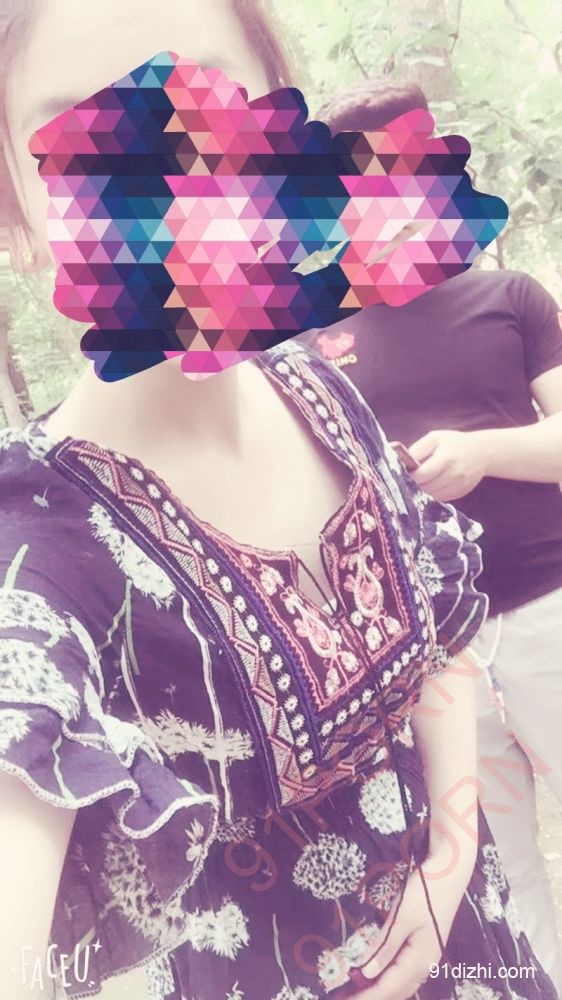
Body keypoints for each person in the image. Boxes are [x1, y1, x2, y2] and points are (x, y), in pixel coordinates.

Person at [0, 5, 556, 999]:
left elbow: (431, 618)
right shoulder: (38, 546)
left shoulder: (321, 390)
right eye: (76, 139)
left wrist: (452, 846)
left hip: (481, 949)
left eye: (198, 110)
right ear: (21, 217)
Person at [300, 79, 562, 993]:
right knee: (497, 862)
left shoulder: (511, 297)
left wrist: (482, 452)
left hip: (550, 611)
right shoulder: (314, 345)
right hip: (435, 657)